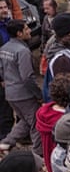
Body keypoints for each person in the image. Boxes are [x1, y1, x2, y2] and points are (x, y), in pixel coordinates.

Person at [0, 20, 42, 153]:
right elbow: (27, 77)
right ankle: (38, 154)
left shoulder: (4, 48)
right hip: (24, 94)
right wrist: (38, 95)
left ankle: (6, 143)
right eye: (26, 29)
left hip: (10, 93)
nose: (29, 31)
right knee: (36, 123)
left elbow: (1, 70)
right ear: (19, 33)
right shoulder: (23, 51)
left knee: (24, 121)